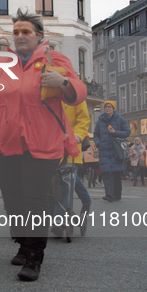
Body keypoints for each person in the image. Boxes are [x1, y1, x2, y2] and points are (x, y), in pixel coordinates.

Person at [0, 8, 87, 281]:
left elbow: (78, 94)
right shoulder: (0, 63)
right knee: (13, 201)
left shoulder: (55, 58)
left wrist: (63, 81)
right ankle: (23, 244)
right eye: (16, 32)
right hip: (7, 143)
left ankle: (34, 256)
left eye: (26, 32)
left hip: (42, 143)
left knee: (35, 202)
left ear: (39, 35)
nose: (20, 36)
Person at [52, 101, 93, 236]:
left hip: (70, 148)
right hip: (50, 148)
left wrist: (78, 136)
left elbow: (83, 119)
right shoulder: (46, 93)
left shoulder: (74, 95)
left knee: (66, 182)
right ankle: (86, 200)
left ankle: (58, 220)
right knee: (64, 181)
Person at [93, 101, 131, 202]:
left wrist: (116, 132)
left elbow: (127, 132)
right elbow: (96, 134)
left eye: (110, 107)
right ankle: (109, 195)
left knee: (116, 173)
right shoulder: (100, 121)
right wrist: (98, 143)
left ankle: (117, 195)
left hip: (116, 150)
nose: (108, 109)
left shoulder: (120, 119)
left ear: (113, 108)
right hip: (104, 150)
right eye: (106, 107)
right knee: (106, 172)